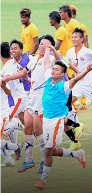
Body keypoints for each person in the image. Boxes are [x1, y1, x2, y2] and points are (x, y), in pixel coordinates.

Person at [33, 47, 88, 190]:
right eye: (53, 69)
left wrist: (87, 70)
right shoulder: (47, 80)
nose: (53, 70)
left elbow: (77, 77)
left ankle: (43, 180)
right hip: (46, 120)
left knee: (47, 151)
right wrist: (47, 50)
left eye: (56, 70)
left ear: (62, 74)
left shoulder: (64, 86)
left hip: (57, 121)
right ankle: (77, 154)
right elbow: (46, 63)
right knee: (51, 150)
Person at [2, 35, 58, 174]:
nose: (41, 47)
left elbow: (59, 62)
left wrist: (52, 51)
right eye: (40, 44)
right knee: (28, 128)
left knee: (38, 131)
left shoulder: (50, 59)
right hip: (30, 97)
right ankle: (29, 160)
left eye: (45, 45)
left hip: (40, 99)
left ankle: (45, 159)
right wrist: (9, 78)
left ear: (50, 48)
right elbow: (23, 72)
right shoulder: (33, 59)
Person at [1, 41, 28, 161]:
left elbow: (6, 87)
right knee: (27, 123)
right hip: (19, 98)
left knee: (8, 121)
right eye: (11, 48)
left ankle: (14, 146)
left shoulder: (7, 66)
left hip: (19, 99)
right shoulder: (13, 62)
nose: (13, 50)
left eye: (14, 48)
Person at [0, 78, 23, 167]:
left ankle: (15, 147)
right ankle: (9, 159)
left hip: (1, 115)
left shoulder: (1, 79)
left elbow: (9, 92)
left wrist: (3, 86)